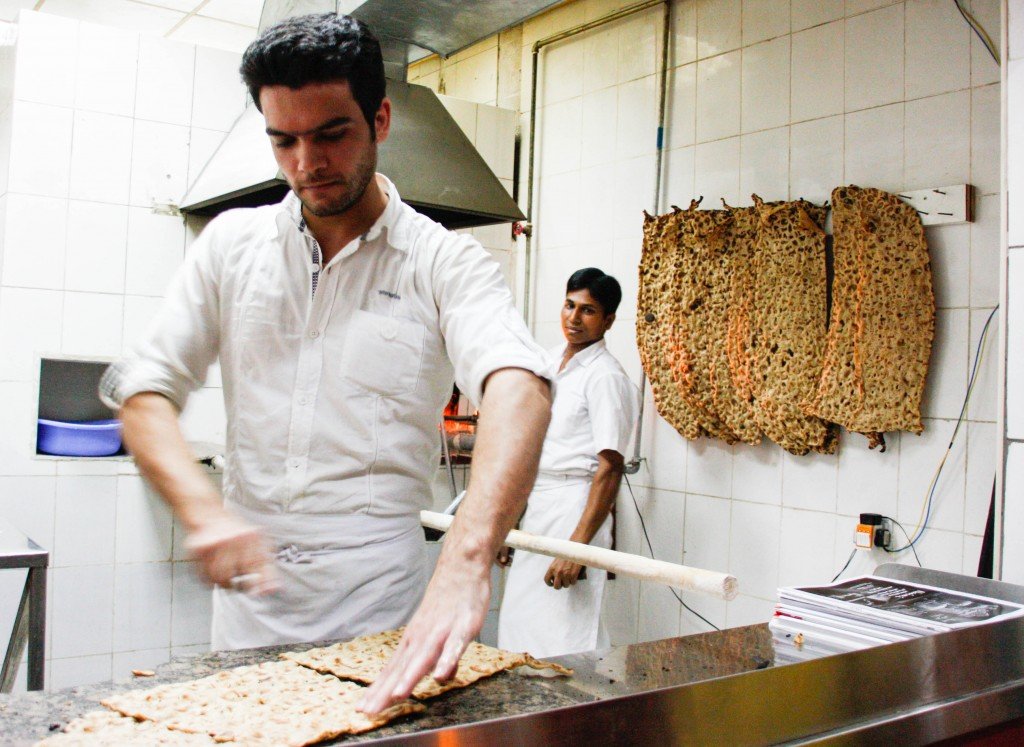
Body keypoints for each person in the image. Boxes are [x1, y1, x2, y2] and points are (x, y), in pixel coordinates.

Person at [99, 13, 551, 714]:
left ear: (381, 119)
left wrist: (467, 556)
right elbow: (146, 390)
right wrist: (203, 512)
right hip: (249, 616)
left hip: (382, 616)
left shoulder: (442, 259)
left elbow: (519, 383)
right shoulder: (232, 248)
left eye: (332, 134)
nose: (307, 162)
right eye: (285, 139)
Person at [496, 268, 640, 658]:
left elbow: (609, 470)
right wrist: (510, 520)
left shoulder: (606, 377)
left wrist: (576, 550)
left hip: (575, 508)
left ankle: (574, 716)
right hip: (539, 502)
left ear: (608, 320)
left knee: (566, 634)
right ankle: (525, 715)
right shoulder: (548, 363)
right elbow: (531, 450)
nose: (574, 319)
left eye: (588, 310)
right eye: (569, 305)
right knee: (520, 628)